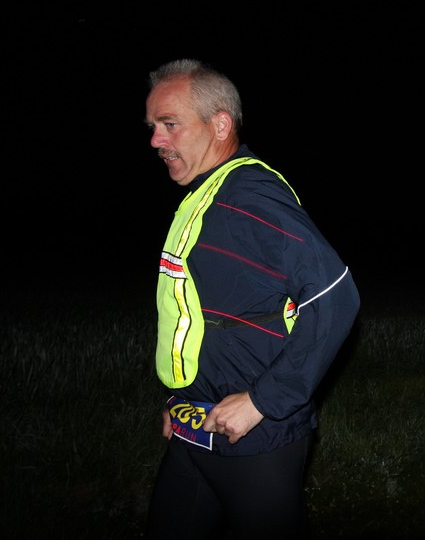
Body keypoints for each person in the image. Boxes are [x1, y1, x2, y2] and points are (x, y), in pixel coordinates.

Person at [143, 59, 360, 539]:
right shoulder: (209, 194)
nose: (156, 140)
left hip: (255, 438)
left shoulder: (249, 195)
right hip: (197, 427)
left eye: (170, 124)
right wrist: (183, 402)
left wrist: (263, 401)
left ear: (220, 125)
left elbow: (334, 295)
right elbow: (204, 317)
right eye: (153, 126)